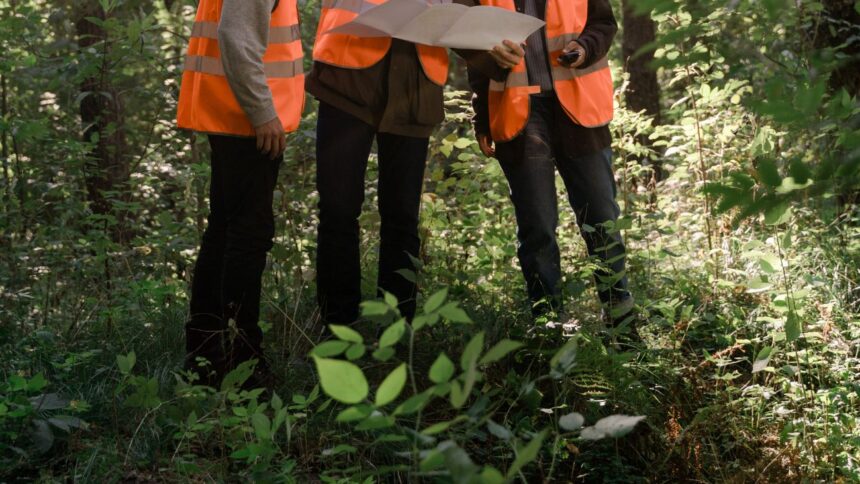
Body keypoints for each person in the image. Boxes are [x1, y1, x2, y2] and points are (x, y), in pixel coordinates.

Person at [307, 0, 504, 324]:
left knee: (402, 215)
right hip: (347, 75)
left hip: (415, 85)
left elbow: (462, 16)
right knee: (338, 211)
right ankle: (337, 330)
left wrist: (494, 54)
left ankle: (397, 330)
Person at [468, 0, 636, 333]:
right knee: (537, 227)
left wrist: (584, 48)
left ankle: (623, 325)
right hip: (520, 113)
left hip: (579, 108)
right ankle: (549, 328)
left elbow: (603, 24)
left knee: (602, 218)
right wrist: (481, 117)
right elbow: (472, 45)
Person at [176, 0, 305, 385]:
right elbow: (236, 36)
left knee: (225, 230)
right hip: (248, 122)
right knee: (248, 235)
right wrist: (263, 112)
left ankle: (206, 355)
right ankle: (242, 361)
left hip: (237, 117)